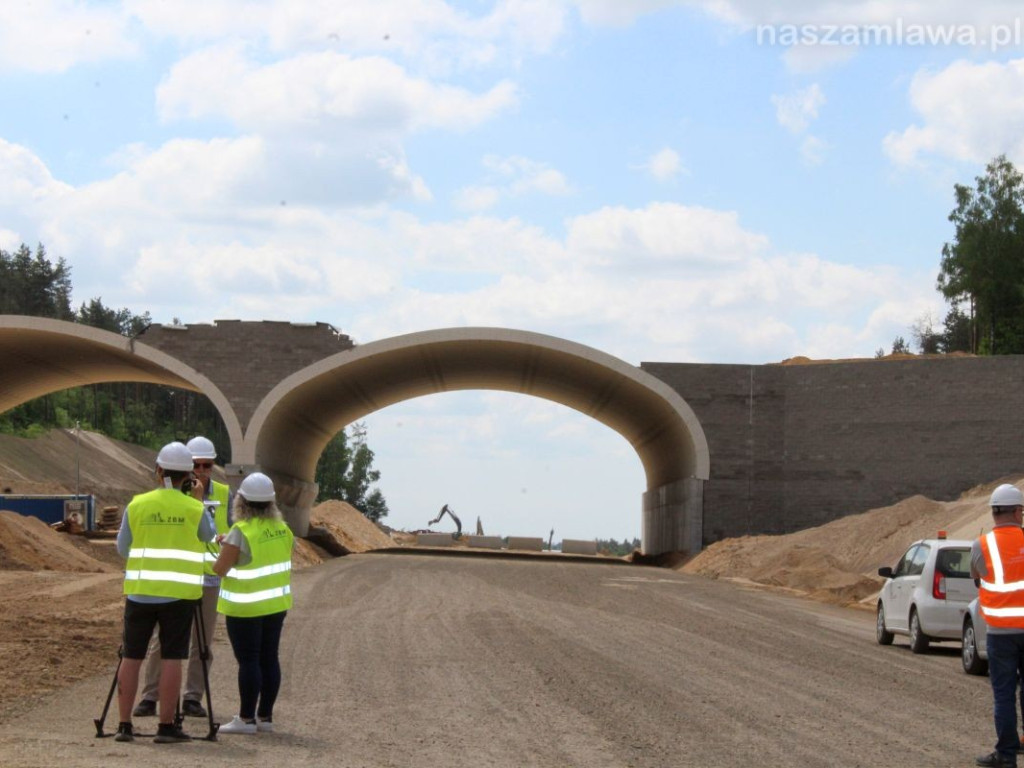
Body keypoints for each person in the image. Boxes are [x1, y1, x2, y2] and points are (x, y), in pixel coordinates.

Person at [113, 441, 216, 744]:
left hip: (140, 593)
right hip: (178, 596)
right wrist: (197, 501)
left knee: (131, 657)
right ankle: (166, 727)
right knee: (173, 657)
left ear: (158, 470)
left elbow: (122, 548)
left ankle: (123, 725)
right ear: (188, 476)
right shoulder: (193, 507)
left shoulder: (137, 504)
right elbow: (209, 536)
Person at [133, 436, 231, 719]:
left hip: (208, 578)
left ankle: (192, 698)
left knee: (202, 643)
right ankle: (151, 696)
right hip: (178, 576)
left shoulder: (224, 494)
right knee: (162, 641)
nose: (201, 471)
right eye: (196, 466)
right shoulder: (173, 492)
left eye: (207, 465)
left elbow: (230, 529)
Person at [213, 472, 293, 735]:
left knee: (248, 661)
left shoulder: (240, 531)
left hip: (245, 607)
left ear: (242, 502)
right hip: (275, 605)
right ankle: (265, 717)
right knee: (269, 658)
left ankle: (246, 719)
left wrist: (222, 547)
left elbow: (221, 569)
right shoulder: (283, 529)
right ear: (271, 503)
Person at [972, 483, 1024, 768]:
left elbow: (977, 576)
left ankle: (1006, 756)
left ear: (993, 513)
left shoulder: (981, 545)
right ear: (1018, 512)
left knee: (1004, 695)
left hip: (1000, 633)